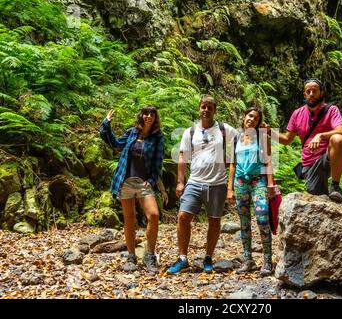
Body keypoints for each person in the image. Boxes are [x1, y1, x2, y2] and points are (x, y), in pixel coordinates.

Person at [167, 95, 238, 274]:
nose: (206, 110)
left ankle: (208, 257)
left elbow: (243, 138)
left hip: (218, 183)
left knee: (214, 221)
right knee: (183, 216)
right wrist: (180, 182)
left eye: (210, 107)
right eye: (203, 107)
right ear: (199, 108)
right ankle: (182, 258)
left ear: (215, 110)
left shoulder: (223, 129)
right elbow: (182, 157)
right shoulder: (190, 132)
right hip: (195, 182)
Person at [99, 106, 164, 273]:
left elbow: (158, 162)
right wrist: (106, 124)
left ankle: (149, 255)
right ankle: (131, 256)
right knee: (129, 219)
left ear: (155, 117)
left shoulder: (158, 137)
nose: (149, 116)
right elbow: (115, 143)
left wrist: (151, 180)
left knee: (154, 215)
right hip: (126, 180)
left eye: (152, 114)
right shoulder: (132, 132)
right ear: (141, 115)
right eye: (146, 113)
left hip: (144, 183)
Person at [265, 78, 342, 202]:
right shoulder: (297, 114)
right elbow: (287, 139)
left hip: (328, 157)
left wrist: (320, 135)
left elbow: (341, 131)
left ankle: (335, 186)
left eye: (315, 91)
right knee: (318, 198)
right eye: (308, 91)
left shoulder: (331, 110)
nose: (311, 94)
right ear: (304, 94)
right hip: (310, 164)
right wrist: (269, 131)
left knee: (338, 139)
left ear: (321, 93)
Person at [228, 107, 275, 277]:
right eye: (250, 116)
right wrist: (229, 188)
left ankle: (267, 260)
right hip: (240, 182)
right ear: (244, 117)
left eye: (255, 118)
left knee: (262, 219)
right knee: (244, 222)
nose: (251, 119)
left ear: (258, 122)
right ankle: (248, 259)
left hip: (258, 181)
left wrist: (270, 184)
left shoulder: (262, 138)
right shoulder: (236, 138)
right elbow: (232, 164)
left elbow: (268, 161)